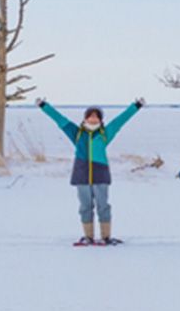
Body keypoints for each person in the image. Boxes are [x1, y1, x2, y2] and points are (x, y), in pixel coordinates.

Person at [37, 97, 144, 246]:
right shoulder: (77, 133)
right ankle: (88, 237)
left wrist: (136, 106)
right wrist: (44, 106)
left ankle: (106, 237)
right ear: (85, 118)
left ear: (100, 119)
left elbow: (120, 121)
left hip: (100, 173)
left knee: (103, 206)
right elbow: (60, 120)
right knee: (85, 207)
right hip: (82, 173)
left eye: (96, 116)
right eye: (90, 116)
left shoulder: (105, 133)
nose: (93, 119)